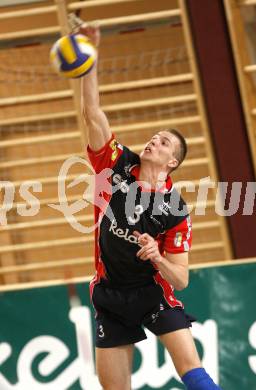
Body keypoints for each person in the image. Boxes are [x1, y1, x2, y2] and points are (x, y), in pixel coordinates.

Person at [79, 22, 221, 390]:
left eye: (163, 144)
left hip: (152, 292)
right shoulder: (115, 163)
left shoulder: (174, 209)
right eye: (154, 138)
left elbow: (182, 278)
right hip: (109, 294)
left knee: (193, 370)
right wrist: (89, 59)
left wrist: (157, 256)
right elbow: (92, 114)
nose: (153, 142)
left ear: (172, 162)